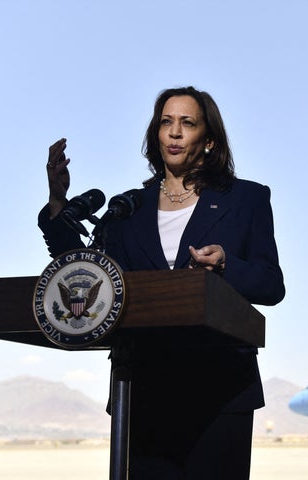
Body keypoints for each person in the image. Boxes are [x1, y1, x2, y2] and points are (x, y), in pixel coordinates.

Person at [38, 86, 285, 479]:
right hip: (144, 386)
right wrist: (57, 200)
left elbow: (272, 284)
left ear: (208, 140)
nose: (174, 132)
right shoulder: (128, 208)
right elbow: (82, 271)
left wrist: (225, 266)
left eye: (187, 123)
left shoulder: (246, 199)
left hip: (220, 387)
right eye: (166, 122)